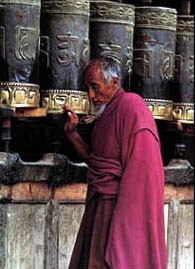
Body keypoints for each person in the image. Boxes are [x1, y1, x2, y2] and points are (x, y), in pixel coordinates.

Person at [64, 57, 167, 269]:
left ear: (114, 83)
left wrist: (125, 222)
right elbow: (98, 163)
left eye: (95, 87)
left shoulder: (132, 106)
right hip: (98, 207)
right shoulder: (106, 116)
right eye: (88, 88)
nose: (91, 96)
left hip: (118, 209)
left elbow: (143, 172)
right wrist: (73, 134)